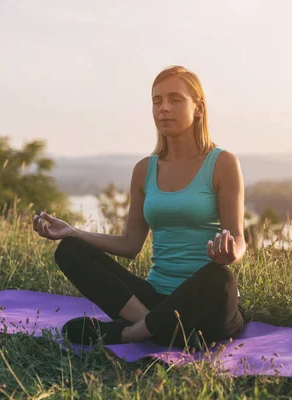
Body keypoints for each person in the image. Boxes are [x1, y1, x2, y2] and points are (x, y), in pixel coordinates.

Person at [33, 65, 246, 349]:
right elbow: (132, 244)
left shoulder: (223, 163)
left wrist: (231, 252)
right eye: (157, 101)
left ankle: (130, 334)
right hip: (154, 298)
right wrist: (72, 231)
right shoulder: (144, 169)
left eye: (175, 99)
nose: (164, 108)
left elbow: (239, 239)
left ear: (198, 108)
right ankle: (161, 328)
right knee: (70, 250)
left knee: (220, 277)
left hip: (206, 307)